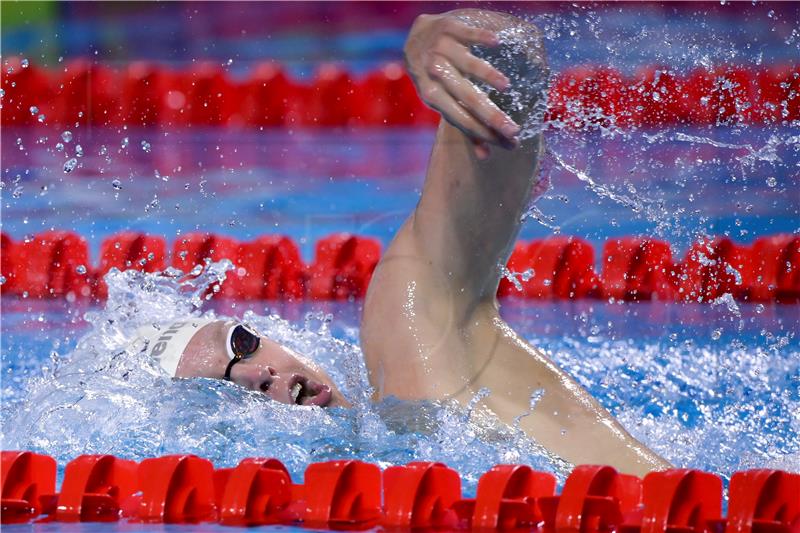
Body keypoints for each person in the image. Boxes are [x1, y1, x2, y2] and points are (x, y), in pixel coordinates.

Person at [136, 9, 671, 476]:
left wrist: (451, 41)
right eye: (223, 389)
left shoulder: (410, 344)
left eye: (243, 345)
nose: (261, 375)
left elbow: (514, 61)